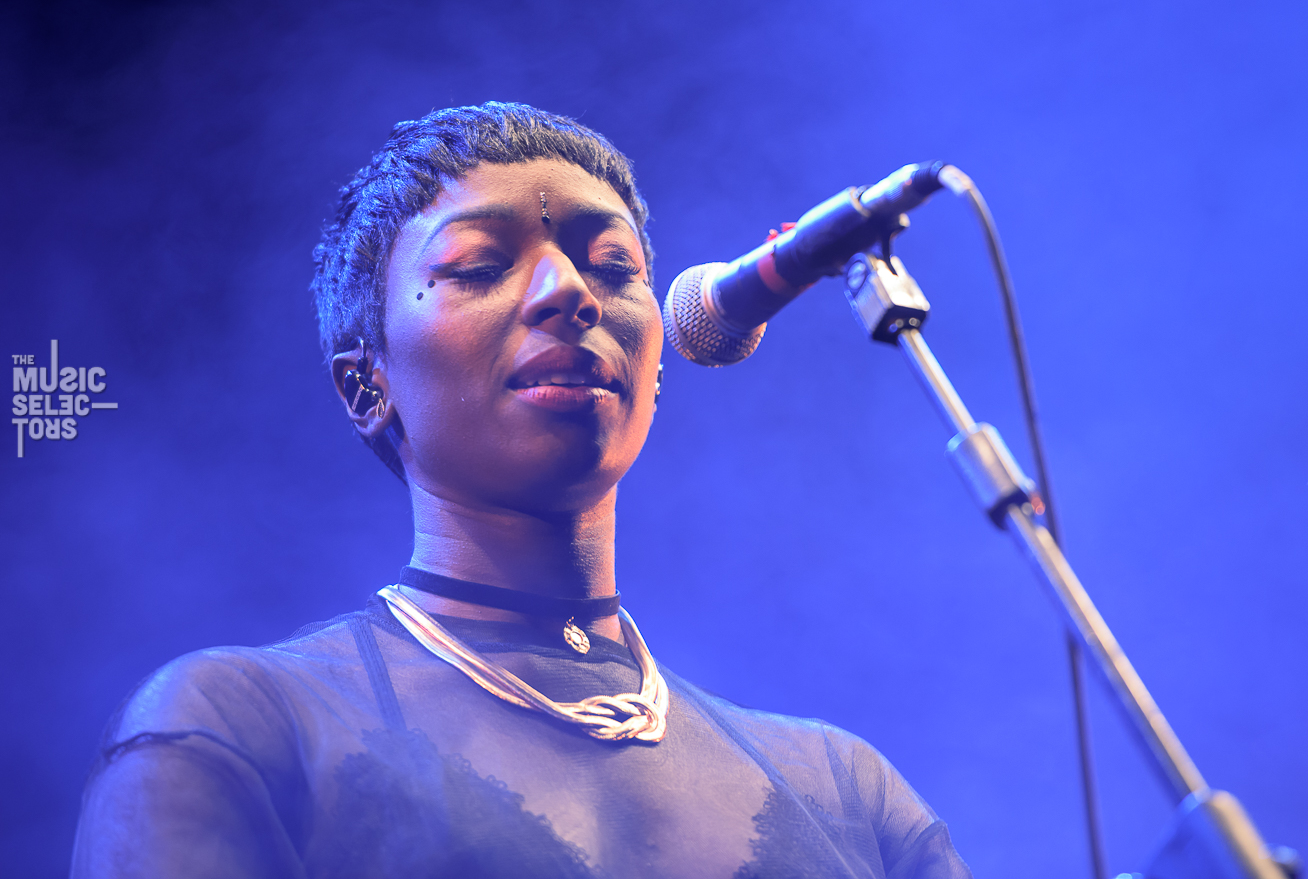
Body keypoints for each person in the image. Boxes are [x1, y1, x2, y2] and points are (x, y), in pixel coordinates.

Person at [70, 103, 971, 879]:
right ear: (366, 386)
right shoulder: (243, 727)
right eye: (478, 265)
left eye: (612, 266)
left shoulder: (846, 793)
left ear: (656, 368)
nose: (570, 292)